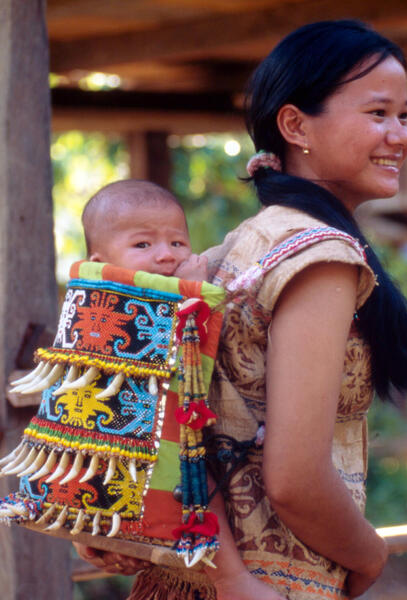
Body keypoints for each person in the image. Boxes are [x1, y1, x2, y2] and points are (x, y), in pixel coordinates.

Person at [127, 20, 407, 599]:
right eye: (378, 113)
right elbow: (294, 481)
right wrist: (370, 554)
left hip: (184, 579)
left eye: (404, 116)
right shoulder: (320, 257)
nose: (400, 136)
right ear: (295, 125)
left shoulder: (241, 245)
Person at [71, 178, 282, 600]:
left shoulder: (158, 295)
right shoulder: (102, 303)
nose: (166, 255)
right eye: (143, 246)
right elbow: (179, 341)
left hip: (144, 444)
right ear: (101, 262)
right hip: (108, 442)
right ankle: (232, 581)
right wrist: (197, 297)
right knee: (194, 484)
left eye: (177, 243)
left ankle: (126, 545)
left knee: (192, 480)